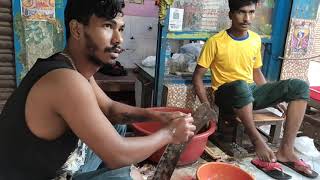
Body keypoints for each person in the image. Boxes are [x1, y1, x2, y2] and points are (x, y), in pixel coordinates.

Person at [0, 0, 196, 179]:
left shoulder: (73, 67)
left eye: (121, 29)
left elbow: (109, 109)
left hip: (55, 164)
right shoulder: (65, 80)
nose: (119, 39)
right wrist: (169, 133)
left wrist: (157, 117)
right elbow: (119, 156)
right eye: (108, 26)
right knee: (127, 176)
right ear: (76, 30)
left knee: (114, 125)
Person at [192, 0, 318, 179]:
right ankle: (257, 141)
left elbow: (256, 72)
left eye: (251, 12)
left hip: (249, 91)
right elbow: (197, 76)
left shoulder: (255, 39)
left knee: (299, 86)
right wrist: (207, 107)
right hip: (226, 94)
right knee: (240, 85)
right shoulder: (216, 41)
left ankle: (286, 152)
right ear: (230, 15)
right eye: (241, 12)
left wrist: (272, 96)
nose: (247, 18)